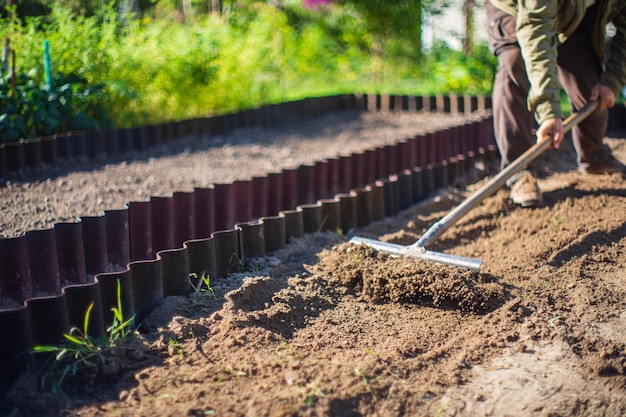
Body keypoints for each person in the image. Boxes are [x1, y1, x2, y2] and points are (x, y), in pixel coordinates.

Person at [486, 0, 626, 207]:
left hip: (575, 11)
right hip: (519, 8)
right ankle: (519, 171)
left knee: (588, 81)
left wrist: (612, 81)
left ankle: (594, 157)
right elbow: (536, 29)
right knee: (514, 63)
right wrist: (548, 110)